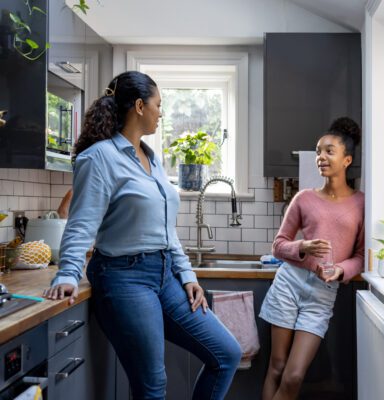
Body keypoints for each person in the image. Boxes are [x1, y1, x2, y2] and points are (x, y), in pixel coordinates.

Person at [42, 71, 242, 400]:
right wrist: (67, 272)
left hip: (165, 276)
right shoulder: (99, 157)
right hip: (123, 278)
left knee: (226, 354)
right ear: (139, 106)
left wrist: (187, 274)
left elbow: (166, 230)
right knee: (152, 387)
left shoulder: (152, 158)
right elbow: (81, 223)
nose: (161, 113)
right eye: (158, 105)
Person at [259, 117, 364, 400]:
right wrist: (302, 246)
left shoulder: (362, 203)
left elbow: (361, 256)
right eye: (318, 151)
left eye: (329, 151)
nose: (321, 157)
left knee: (294, 377)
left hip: (322, 293)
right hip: (289, 284)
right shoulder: (303, 198)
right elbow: (278, 246)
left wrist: (341, 271)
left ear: (347, 160)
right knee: (277, 367)